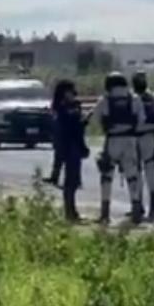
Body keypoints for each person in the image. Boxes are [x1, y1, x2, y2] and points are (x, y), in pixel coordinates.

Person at [91, 71, 145, 224]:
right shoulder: (134, 99)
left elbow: (96, 119)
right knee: (133, 176)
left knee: (107, 176)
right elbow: (141, 120)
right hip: (130, 140)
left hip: (112, 140)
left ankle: (105, 213)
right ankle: (136, 210)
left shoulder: (105, 100)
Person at [51, 79, 89, 221]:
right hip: (68, 146)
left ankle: (72, 211)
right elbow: (69, 127)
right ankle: (70, 212)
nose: (73, 94)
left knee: (73, 181)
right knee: (70, 182)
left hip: (73, 145)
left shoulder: (72, 106)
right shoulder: (62, 108)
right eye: (70, 91)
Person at [132, 71, 154, 222]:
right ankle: (152, 209)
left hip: (136, 138)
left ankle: (140, 208)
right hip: (148, 137)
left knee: (138, 173)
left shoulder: (131, 98)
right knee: (149, 173)